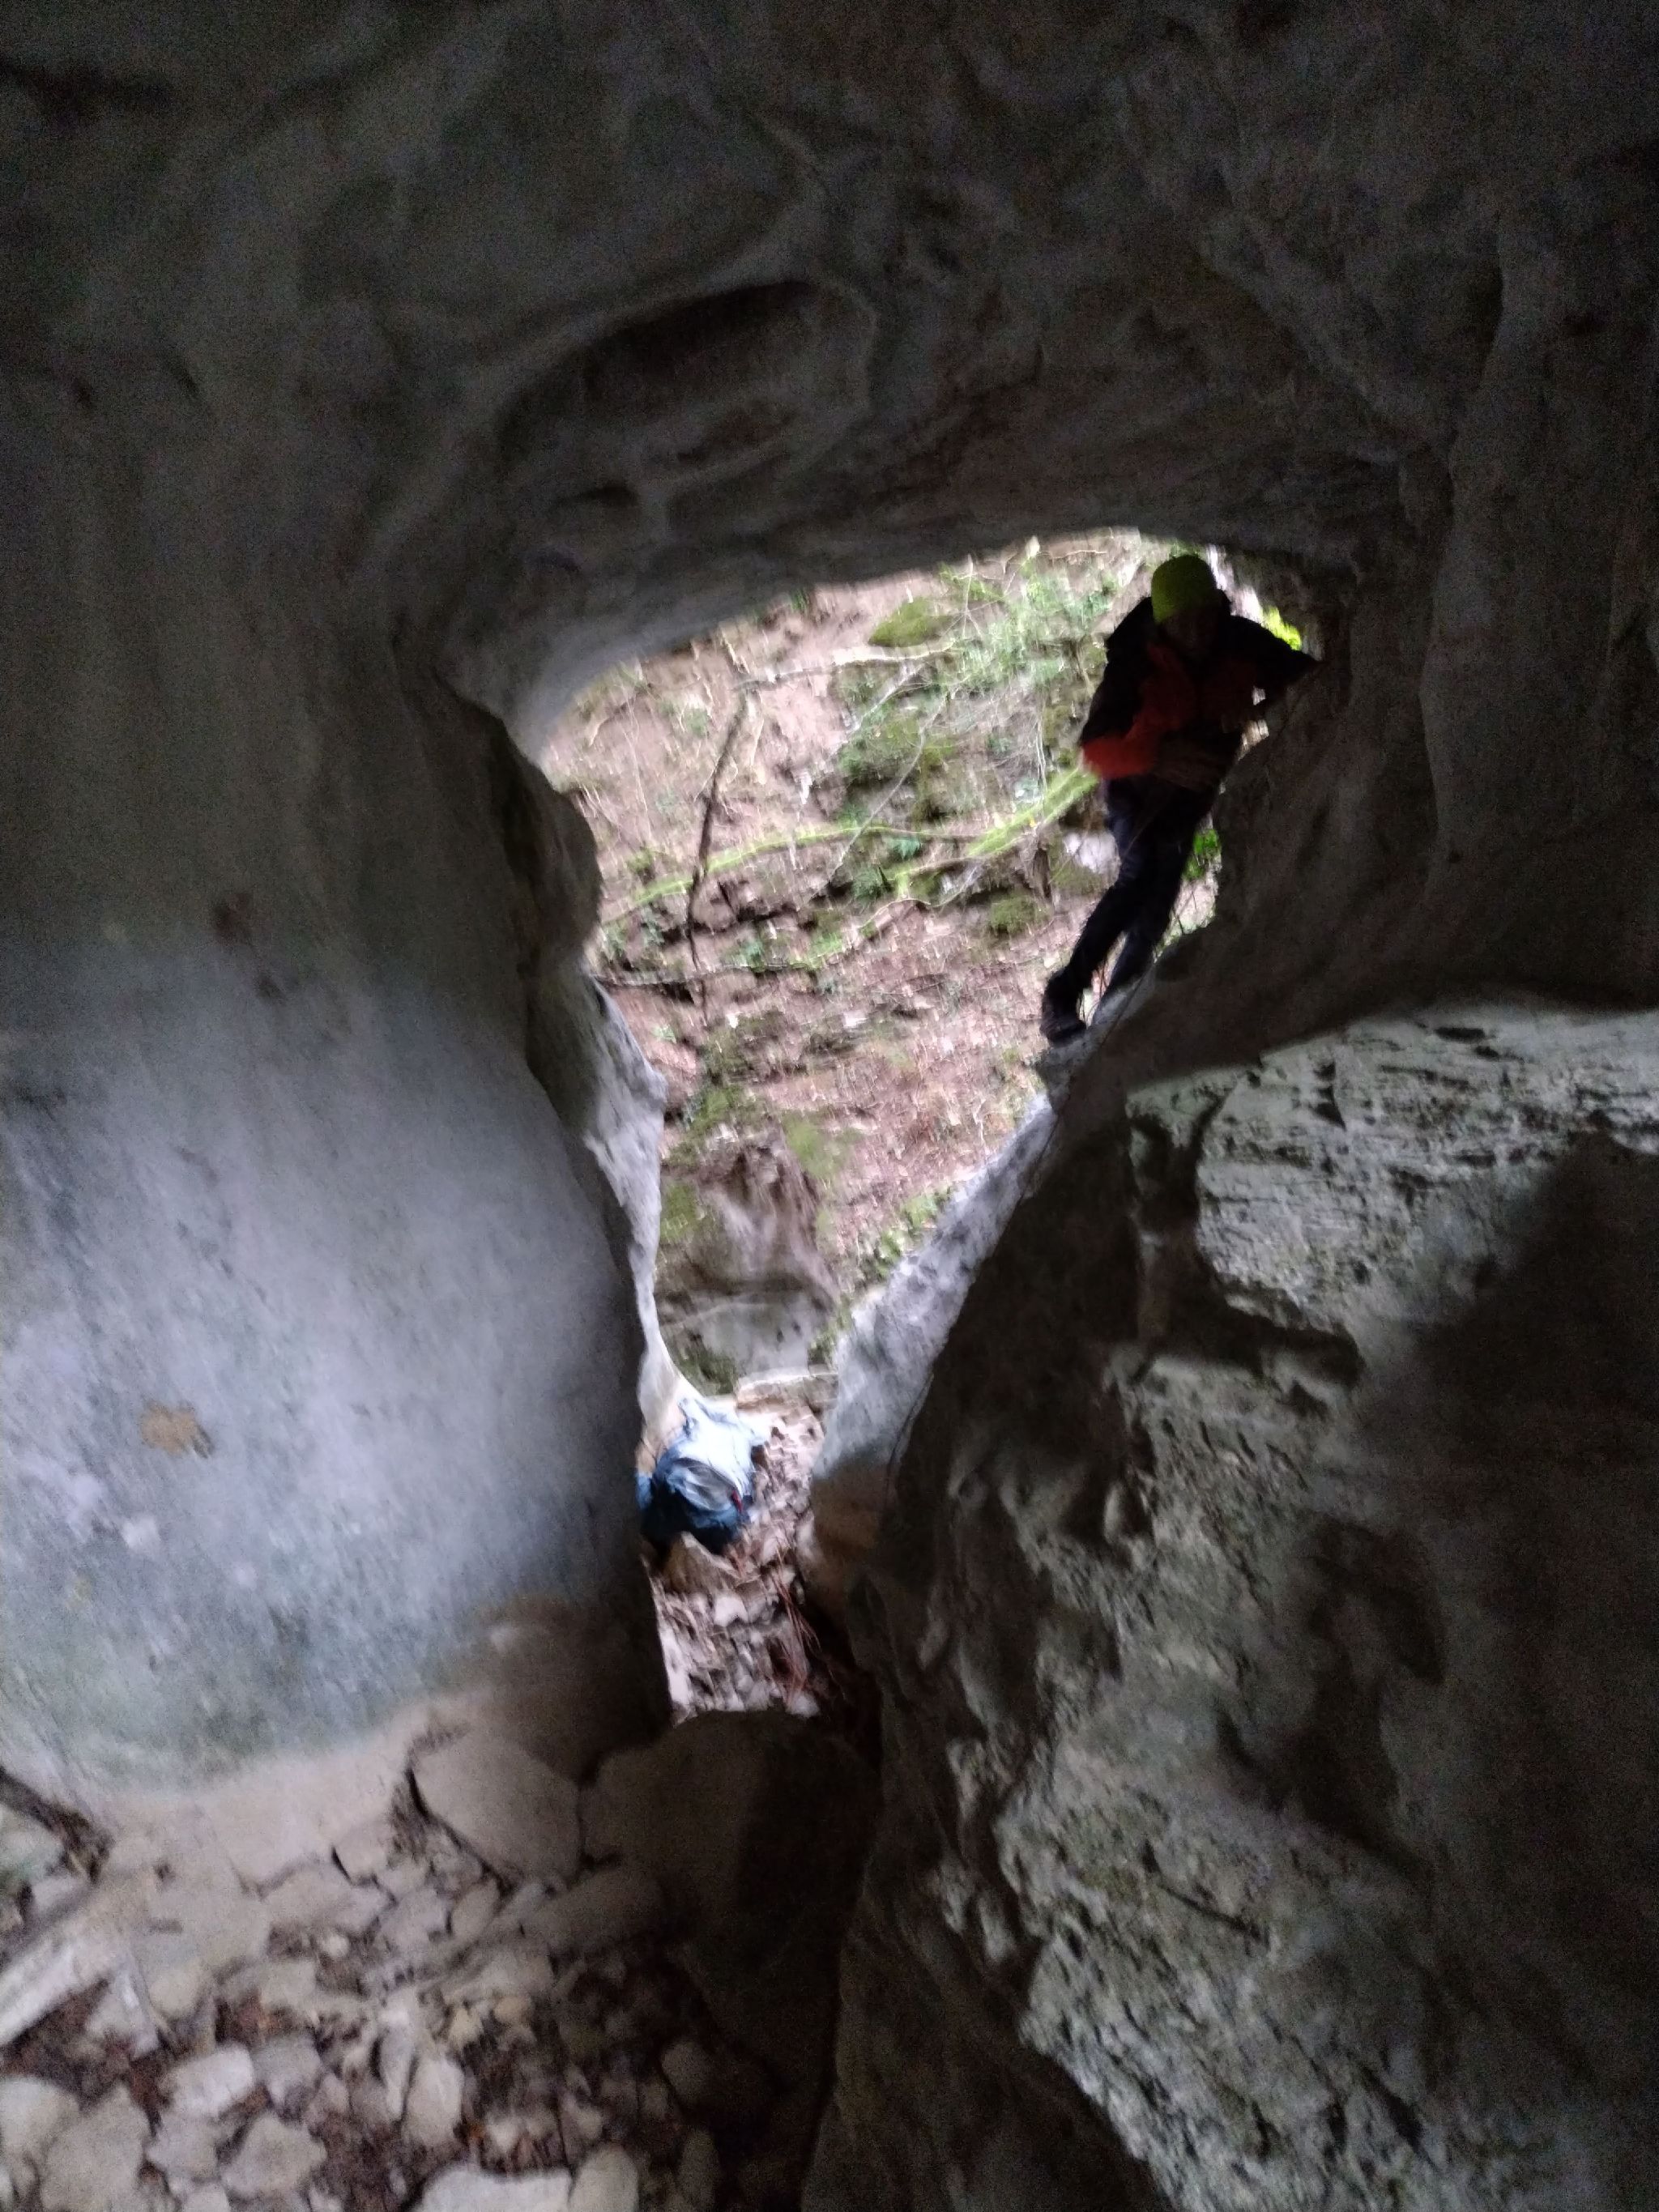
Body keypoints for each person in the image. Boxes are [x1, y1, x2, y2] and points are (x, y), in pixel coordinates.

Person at [1038, 553, 1316, 1043]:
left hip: (1190, 799)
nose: (1197, 631)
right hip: (1137, 798)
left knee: (1154, 913)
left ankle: (1113, 1013)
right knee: (1138, 878)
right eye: (1182, 621)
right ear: (1163, 622)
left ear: (1217, 608)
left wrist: (1260, 709)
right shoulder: (1136, 663)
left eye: (1204, 615)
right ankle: (1062, 997)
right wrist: (1159, 758)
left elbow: (1303, 674)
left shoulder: (1238, 642)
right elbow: (1097, 749)